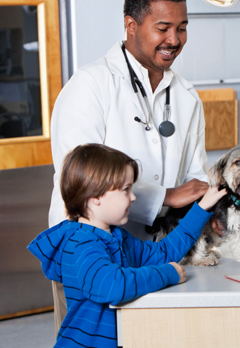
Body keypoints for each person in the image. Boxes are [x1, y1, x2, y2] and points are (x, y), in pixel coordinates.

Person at [48, 0, 213, 333]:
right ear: (131, 25)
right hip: (91, 250)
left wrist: (206, 208)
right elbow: (77, 179)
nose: (175, 40)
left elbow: (194, 176)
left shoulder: (186, 96)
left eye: (182, 28)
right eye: (163, 28)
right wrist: (165, 196)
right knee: (92, 337)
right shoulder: (90, 84)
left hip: (154, 250)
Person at [29, 144, 226, 348]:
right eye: (126, 190)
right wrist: (167, 274)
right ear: (95, 197)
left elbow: (162, 253)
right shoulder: (81, 244)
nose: (133, 197)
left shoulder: (116, 236)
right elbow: (113, 286)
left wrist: (202, 208)